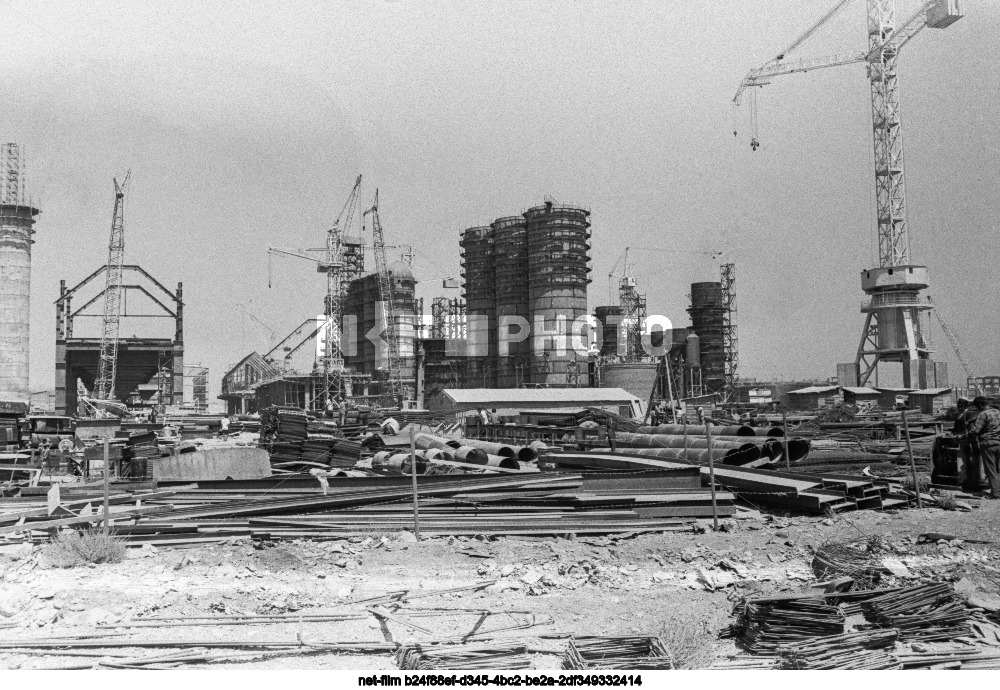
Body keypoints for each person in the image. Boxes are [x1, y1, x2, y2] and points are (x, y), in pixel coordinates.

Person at [971, 396, 1000, 499]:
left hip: (988, 445)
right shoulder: (997, 411)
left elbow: (976, 431)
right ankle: (997, 488)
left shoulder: (982, 414)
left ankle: (995, 493)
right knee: (998, 469)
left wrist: (963, 435)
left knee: (990, 470)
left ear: (979, 405)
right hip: (998, 443)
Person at [953, 398, 981, 492]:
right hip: (960, 440)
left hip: (968, 441)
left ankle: (972, 483)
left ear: (966, 405)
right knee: (962, 461)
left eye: (961, 404)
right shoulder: (957, 415)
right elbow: (955, 427)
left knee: (970, 462)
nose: (959, 406)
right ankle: (963, 481)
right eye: (958, 404)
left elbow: (972, 429)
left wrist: (965, 436)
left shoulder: (969, 414)